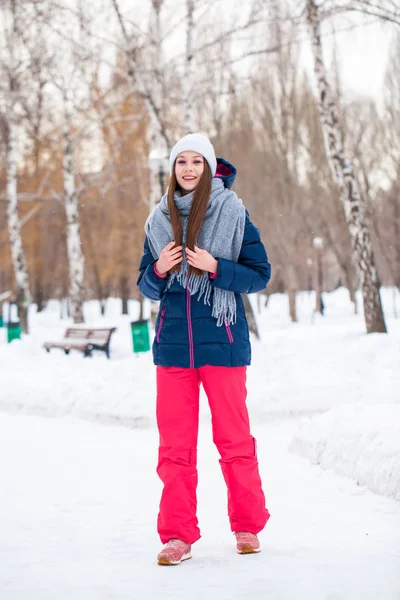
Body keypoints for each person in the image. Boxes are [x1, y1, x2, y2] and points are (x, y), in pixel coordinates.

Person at [137, 133, 272, 566]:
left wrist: (216, 268)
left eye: (198, 161)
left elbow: (260, 275)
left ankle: (247, 525)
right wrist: (158, 269)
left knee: (233, 439)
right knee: (174, 447)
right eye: (182, 162)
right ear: (173, 169)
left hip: (224, 342)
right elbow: (146, 284)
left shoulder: (233, 212)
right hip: (173, 349)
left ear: (210, 167)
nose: (189, 169)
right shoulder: (158, 220)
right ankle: (177, 536)